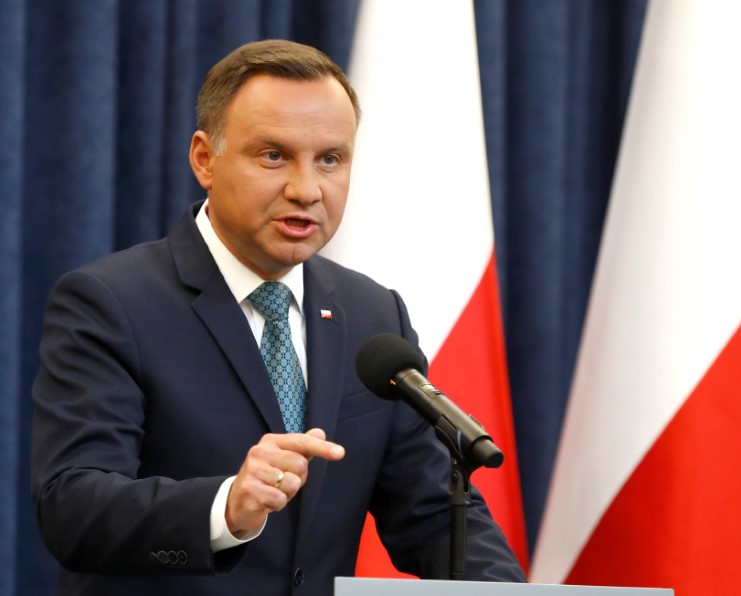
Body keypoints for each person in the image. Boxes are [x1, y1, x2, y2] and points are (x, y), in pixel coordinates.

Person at [30, 39, 527, 595]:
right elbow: (72, 508)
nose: (307, 189)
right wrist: (225, 508)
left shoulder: (374, 315)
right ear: (205, 160)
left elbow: (435, 515)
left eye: (330, 160)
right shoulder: (110, 302)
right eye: (273, 156)